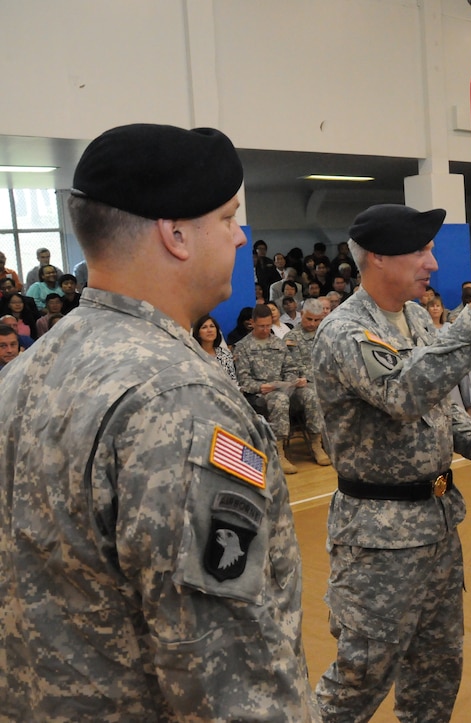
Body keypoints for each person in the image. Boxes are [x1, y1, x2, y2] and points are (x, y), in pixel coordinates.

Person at [0, 123, 315, 719]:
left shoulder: (28, 369)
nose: (242, 236)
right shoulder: (178, 397)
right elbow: (226, 674)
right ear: (175, 235)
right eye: (226, 219)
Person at [311, 204, 471, 722]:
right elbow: (403, 393)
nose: (433, 264)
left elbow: (442, 404)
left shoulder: (417, 316)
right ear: (377, 257)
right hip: (379, 538)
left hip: (439, 522)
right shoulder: (345, 331)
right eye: (420, 251)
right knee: (360, 676)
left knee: (437, 670)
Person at [233, 303, 330, 474]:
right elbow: (244, 381)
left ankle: (316, 444)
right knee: (279, 399)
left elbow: (290, 369)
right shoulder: (243, 346)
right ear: (252, 323)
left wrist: (294, 381)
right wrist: (260, 386)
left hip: (285, 389)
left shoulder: (278, 343)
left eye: (268, 325)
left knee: (310, 394)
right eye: (261, 326)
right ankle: (279, 452)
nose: (265, 329)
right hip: (261, 396)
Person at [193, 313, 238, 383]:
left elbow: (233, 380)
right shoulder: (192, 354)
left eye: (212, 326)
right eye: (204, 327)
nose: (209, 330)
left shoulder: (225, 354)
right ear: (198, 333)